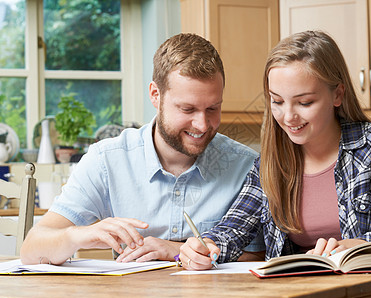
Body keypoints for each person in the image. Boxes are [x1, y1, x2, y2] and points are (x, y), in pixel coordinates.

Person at [179, 30, 371, 270]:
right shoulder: (271, 161)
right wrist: (206, 246)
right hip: (299, 290)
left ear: (337, 94)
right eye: (276, 101)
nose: (288, 117)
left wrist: (359, 247)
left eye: (305, 102)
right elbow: (234, 228)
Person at [20, 33, 265, 265]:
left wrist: (175, 251)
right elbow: (31, 249)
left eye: (212, 108)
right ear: (155, 95)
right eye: (188, 109)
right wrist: (77, 235)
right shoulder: (107, 161)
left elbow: (257, 256)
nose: (202, 125)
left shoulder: (245, 166)